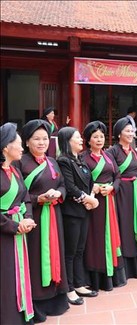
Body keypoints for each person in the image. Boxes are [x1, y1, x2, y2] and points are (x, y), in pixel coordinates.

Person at [18, 120, 69, 322]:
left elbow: (63, 185)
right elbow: (18, 195)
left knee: (56, 253)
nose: (41, 143)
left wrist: (58, 192)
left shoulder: (52, 162)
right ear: (27, 142)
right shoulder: (20, 163)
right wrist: (37, 199)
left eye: (45, 139)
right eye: (36, 139)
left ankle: (56, 298)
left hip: (54, 217)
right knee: (36, 257)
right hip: (34, 218)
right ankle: (37, 301)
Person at [81, 121, 126, 291]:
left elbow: (118, 175)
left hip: (109, 202)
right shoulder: (83, 158)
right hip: (94, 204)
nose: (99, 140)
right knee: (95, 238)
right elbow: (81, 180)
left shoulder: (108, 156)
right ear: (88, 139)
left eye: (101, 136)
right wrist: (95, 187)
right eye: (95, 137)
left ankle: (111, 274)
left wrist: (113, 187)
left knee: (111, 236)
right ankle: (96, 276)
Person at [57, 127, 100, 305]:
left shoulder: (80, 159)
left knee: (80, 250)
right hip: (72, 212)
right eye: (77, 137)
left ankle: (79, 283)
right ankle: (69, 288)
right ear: (67, 141)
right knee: (70, 251)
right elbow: (70, 187)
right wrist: (88, 199)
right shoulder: (64, 161)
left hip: (84, 210)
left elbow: (88, 182)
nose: (81, 140)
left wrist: (92, 194)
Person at [1, 122, 37, 324]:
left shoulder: (14, 170)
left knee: (18, 274)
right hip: (6, 232)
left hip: (19, 228)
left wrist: (28, 217)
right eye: (19, 143)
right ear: (6, 146)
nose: (22, 148)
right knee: (6, 276)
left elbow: (25, 198)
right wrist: (14, 226)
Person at [107, 117, 137, 279]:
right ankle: (125, 267)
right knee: (124, 227)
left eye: (133, 131)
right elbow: (110, 174)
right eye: (127, 131)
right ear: (119, 134)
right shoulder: (112, 152)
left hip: (136, 193)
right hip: (121, 193)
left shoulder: (135, 152)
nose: (131, 134)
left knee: (136, 227)